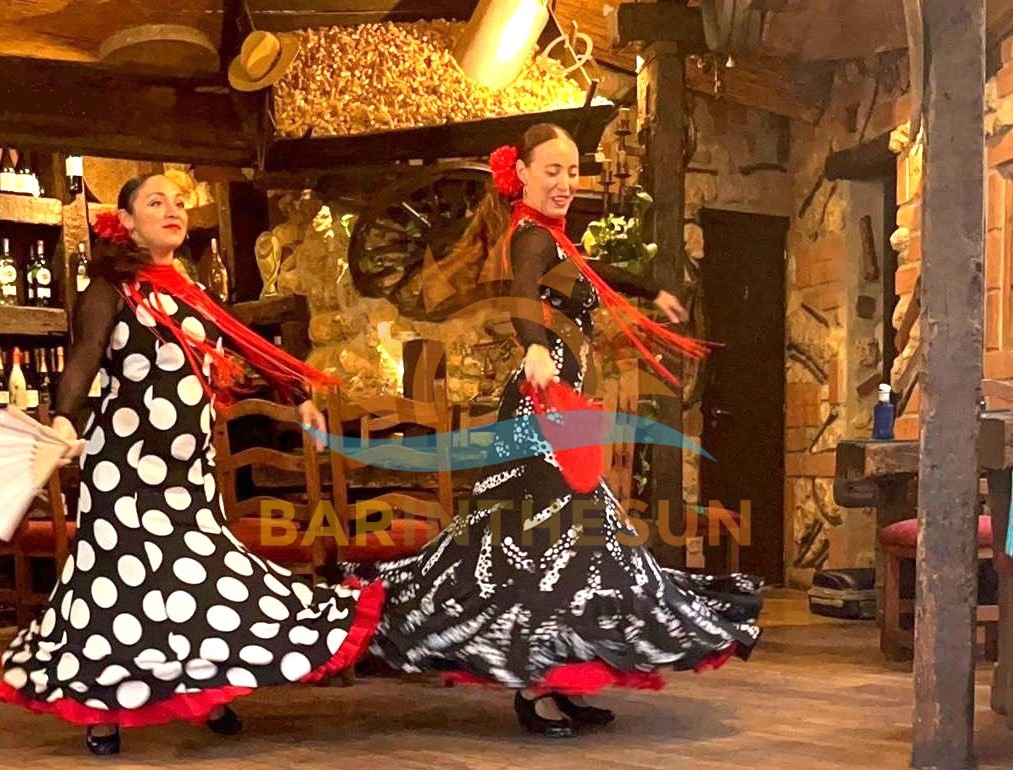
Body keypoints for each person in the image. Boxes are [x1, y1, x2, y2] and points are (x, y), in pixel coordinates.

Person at [351, 123, 763, 738]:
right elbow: (523, 294)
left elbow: (596, 275)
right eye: (553, 170)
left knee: (574, 551)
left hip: (560, 408)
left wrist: (654, 290)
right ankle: (532, 690)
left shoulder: (554, 240)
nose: (566, 182)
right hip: (539, 410)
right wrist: (536, 346)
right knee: (548, 547)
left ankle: (557, 680)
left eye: (572, 171)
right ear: (521, 174)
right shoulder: (530, 238)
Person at [0, 174, 383, 755]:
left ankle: (208, 690)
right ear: (126, 222)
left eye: (179, 202)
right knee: (119, 590)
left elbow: (242, 346)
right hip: (126, 473)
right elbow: (83, 359)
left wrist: (296, 393)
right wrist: (65, 419)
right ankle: (102, 711)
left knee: (203, 577)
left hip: (189, 474)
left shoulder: (191, 290)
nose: (173, 210)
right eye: (156, 202)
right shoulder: (111, 288)